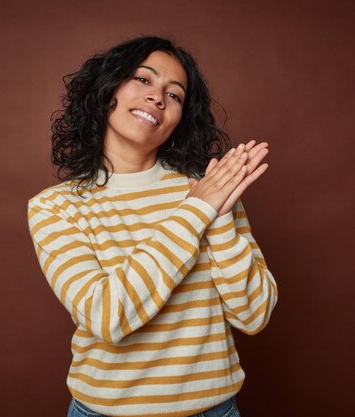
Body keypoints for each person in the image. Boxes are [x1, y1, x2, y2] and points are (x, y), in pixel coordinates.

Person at [27, 36, 278, 417]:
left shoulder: (210, 188)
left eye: (174, 95)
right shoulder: (54, 207)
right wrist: (196, 212)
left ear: (180, 118)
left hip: (214, 410)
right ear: (106, 90)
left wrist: (220, 217)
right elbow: (108, 317)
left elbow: (254, 315)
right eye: (143, 79)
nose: (158, 97)